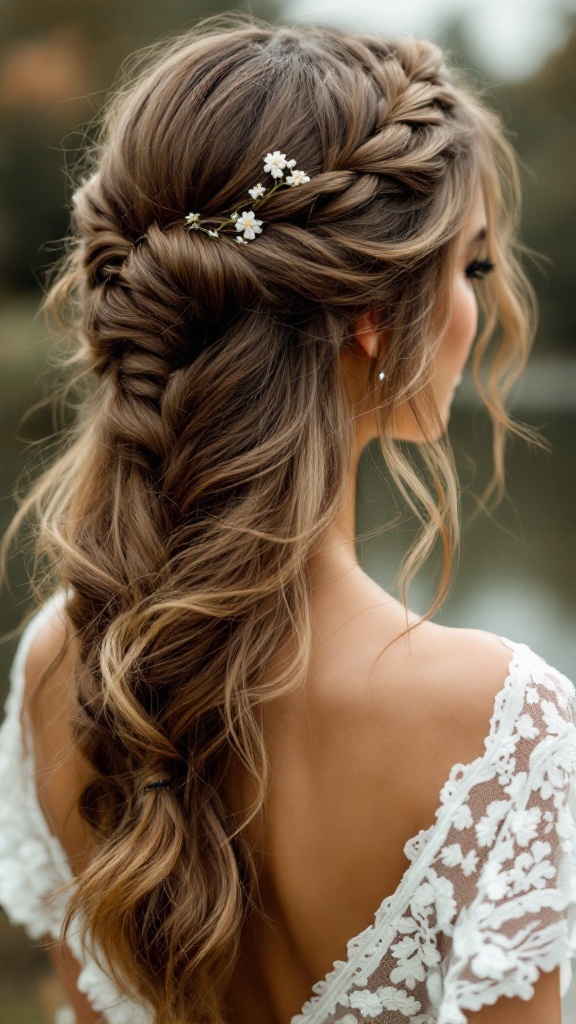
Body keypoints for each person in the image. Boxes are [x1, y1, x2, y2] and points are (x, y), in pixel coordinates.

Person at [1, 15, 575, 1024]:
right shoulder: (499, 725)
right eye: (469, 267)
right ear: (370, 314)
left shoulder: (63, 660)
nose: (477, 312)